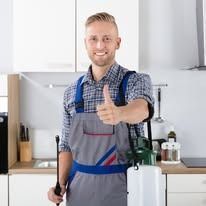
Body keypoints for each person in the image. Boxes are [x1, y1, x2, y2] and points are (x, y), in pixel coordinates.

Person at [48, 12, 154, 206]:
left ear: (118, 42)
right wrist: (60, 184)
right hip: (80, 192)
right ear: (85, 43)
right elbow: (66, 147)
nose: (99, 46)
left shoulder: (135, 81)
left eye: (107, 39)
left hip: (126, 192)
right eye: (93, 39)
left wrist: (120, 113)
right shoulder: (71, 92)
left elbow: (143, 109)